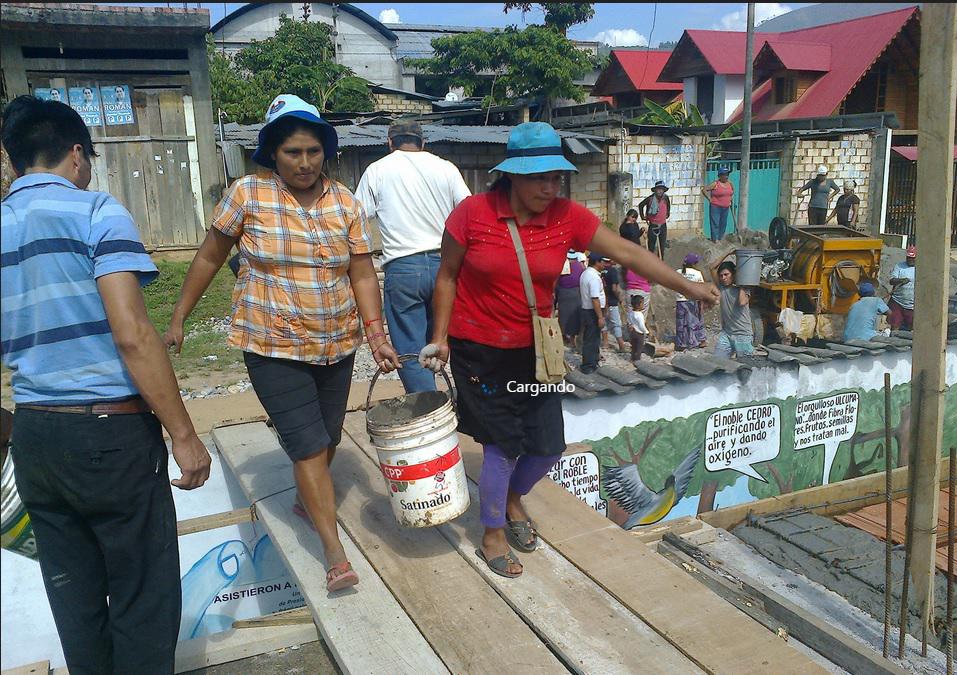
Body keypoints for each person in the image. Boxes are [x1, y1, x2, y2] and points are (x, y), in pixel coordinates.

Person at [416, 122, 718, 578]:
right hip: (478, 350)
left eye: (555, 176)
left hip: (535, 351)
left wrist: (689, 288)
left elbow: (629, 254)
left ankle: (513, 499)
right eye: (539, 177)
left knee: (547, 446)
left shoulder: (568, 217)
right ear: (512, 176)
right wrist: (439, 336)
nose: (550, 185)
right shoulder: (472, 215)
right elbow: (447, 275)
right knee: (501, 445)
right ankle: (493, 531)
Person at [1, 95, 211, 673]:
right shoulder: (95, 211)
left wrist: (12, 429)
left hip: (37, 438)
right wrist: (183, 434)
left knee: (76, 602)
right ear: (76, 155)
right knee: (144, 601)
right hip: (111, 436)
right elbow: (134, 334)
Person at [163, 94, 401, 593]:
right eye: (293, 152)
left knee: (330, 436)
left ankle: (305, 496)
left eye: (313, 151)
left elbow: (361, 271)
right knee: (309, 445)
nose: (305, 162)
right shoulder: (247, 195)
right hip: (271, 343)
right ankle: (333, 551)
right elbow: (209, 258)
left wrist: (375, 332)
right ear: (273, 151)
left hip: (336, 343)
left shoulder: (345, 202)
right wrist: (180, 316)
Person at [354, 120, 471, 392]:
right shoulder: (446, 168)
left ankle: (429, 414)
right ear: (423, 143)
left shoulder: (378, 170)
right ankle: (456, 407)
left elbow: (356, 217)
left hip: (404, 269)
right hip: (447, 268)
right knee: (442, 342)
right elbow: (468, 211)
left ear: (390, 143)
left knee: (410, 349)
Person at [709, 250, 755, 358]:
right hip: (727, 334)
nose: (723, 278)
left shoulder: (744, 289)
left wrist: (741, 283)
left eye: (726, 274)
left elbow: (742, 302)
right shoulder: (721, 288)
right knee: (718, 362)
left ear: (733, 275)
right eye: (721, 276)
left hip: (743, 335)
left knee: (745, 366)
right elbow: (712, 268)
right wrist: (727, 253)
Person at [580, 253, 608, 372]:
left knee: (592, 337)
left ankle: (593, 360)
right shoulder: (593, 277)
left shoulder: (587, 273)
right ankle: (588, 366)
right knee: (592, 338)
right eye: (603, 261)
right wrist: (600, 317)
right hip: (592, 311)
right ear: (597, 262)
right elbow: (595, 298)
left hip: (589, 310)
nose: (605, 264)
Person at [676, 253, 708, 350]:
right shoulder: (697, 274)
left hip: (680, 300)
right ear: (694, 263)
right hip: (693, 301)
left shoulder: (678, 272)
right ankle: (699, 341)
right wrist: (702, 303)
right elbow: (701, 289)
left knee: (681, 322)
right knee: (695, 321)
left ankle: (681, 343)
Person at [556, 249, 584, 348]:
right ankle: (572, 339)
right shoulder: (580, 265)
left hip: (564, 292)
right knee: (575, 316)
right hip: (576, 292)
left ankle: (564, 337)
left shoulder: (563, 264)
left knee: (563, 316)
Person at [638, 180, 672, 257]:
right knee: (651, 246)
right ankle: (651, 263)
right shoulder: (650, 199)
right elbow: (641, 205)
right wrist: (642, 216)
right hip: (653, 225)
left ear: (664, 190)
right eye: (658, 189)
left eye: (662, 189)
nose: (660, 191)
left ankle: (660, 262)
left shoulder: (665, 198)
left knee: (662, 246)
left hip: (663, 225)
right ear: (655, 190)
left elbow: (668, 206)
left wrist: (668, 213)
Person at [701, 168, 734, 243]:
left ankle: (720, 238)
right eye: (725, 175)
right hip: (716, 207)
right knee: (715, 223)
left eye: (727, 175)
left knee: (723, 224)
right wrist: (710, 199)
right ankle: (714, 240)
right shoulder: (715, 184)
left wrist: (730, 200)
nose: (726, 177)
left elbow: (732, 192)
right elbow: (704, 190)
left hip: (725, 207)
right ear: (720, 176)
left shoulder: (730, 184)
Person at [887, 244, 916, 330]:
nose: (910, 260)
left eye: (912, 258)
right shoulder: (899, 266)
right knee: (895, 325)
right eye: (908, 258)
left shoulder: (921, 269)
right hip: (898, 302)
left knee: (912, 328)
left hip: (912, 305)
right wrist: (901, 280)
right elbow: (891, 281)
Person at [602, 258, 627, 352]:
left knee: (604, 321)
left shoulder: (601, 270)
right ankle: (621, 345)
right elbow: (614, 288)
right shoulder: (613, 271)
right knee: (616, 323)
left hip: (602, 300)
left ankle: (605, 343)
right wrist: (619, 297)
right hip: (612, 300)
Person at [624, 267, 651, 337]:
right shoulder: (645, 263)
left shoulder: (630, 260)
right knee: (642, 315)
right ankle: (641, 336)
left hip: (630, 288)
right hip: (643, 289)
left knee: (630, 315)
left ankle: (632, 336)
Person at [628, 294, 648, 362]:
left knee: (633, 347)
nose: (643, 305)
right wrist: (646, 331)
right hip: (639, 333)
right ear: (638, 305)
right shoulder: (640, 315)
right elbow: (641, 325)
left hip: (632, 332)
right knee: (639, 347)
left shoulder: (631, 313)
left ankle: (632, 358)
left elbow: (629, 321)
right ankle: (637, 360)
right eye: (642, 303)